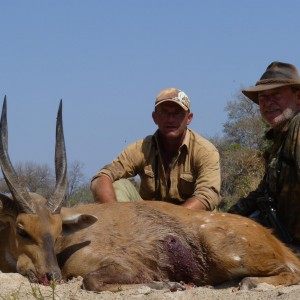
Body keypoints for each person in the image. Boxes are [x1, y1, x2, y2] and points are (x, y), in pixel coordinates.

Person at [90, 88, 221, 211]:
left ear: (189, 118)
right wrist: (113, 213)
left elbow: (207, 196)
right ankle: (119, 226)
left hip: (192, 223)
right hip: (151, 223)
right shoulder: (140, 148)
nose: (171, 119)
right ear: (154, 117)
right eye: (164, 112)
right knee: (119, 185)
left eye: (178, 113)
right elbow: (102, 176)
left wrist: (173, 224)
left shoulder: (206, 151)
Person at [228, 61, 300, 247]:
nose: (268, 104)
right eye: (262, 98)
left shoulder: (298, 129)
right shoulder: (280, 137)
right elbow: (262, 193)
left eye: (276, 95)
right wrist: (223, 218)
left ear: (298, 98)